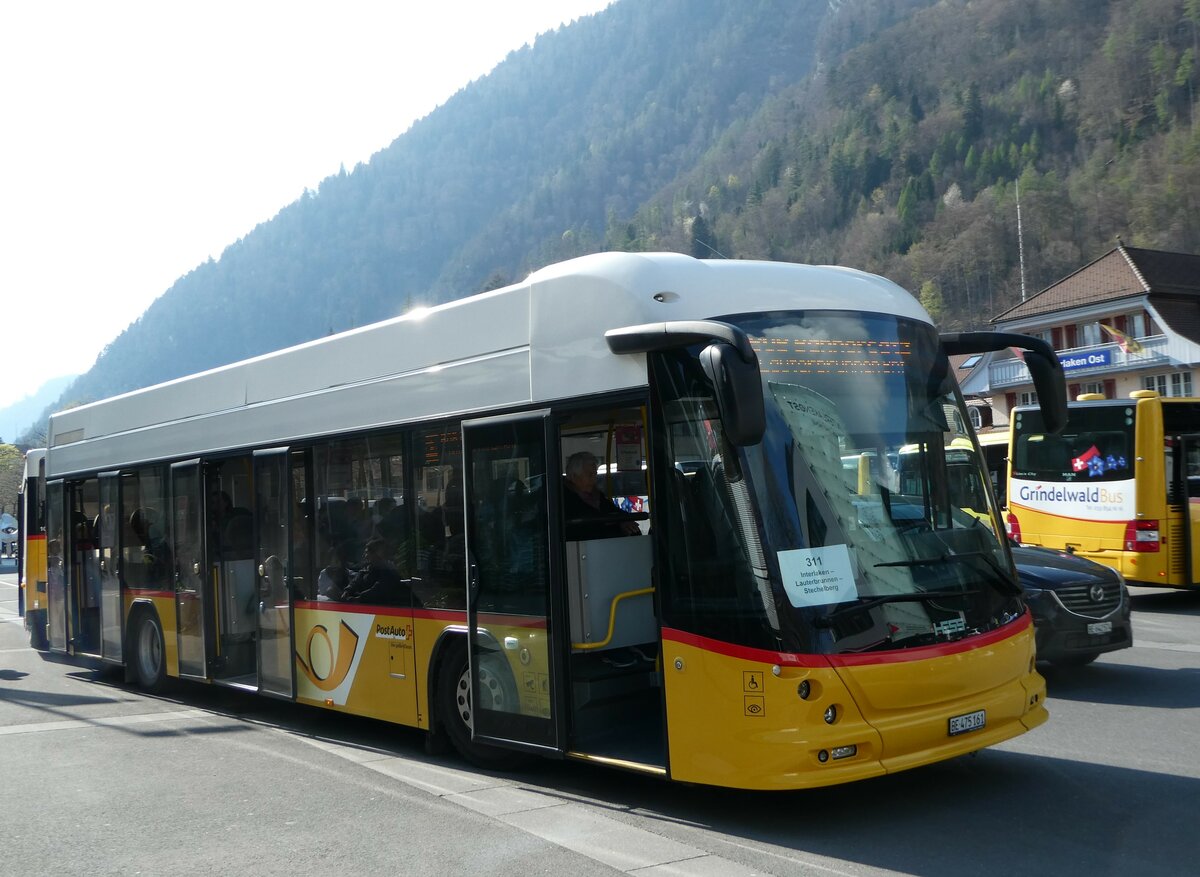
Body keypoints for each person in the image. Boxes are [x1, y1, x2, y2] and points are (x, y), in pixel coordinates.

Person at [562, 451, 641, 540]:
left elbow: (614, 511)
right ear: (574, 476)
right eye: (590, 475)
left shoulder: (597, 496)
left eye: (595, 474)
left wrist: (624, 520)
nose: (594, 479)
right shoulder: (564, 499)